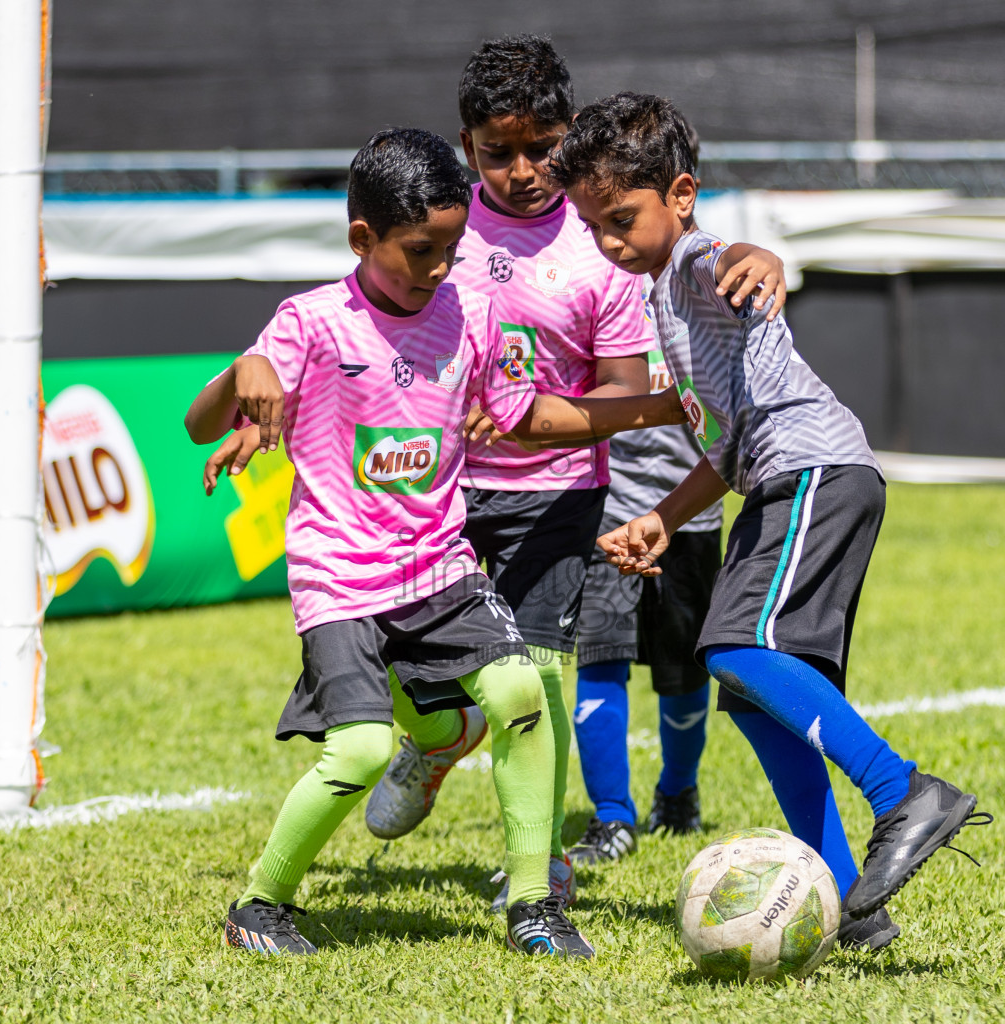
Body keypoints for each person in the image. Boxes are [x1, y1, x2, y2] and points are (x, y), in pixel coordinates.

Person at [186, 128, 680, 959]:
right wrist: (243, 372)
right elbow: (201, 425)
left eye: (453, 246)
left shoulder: (472, 313)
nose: (442, 266)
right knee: (363, 747)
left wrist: (666, 405)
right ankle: (258, 907)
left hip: (438, 569)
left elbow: (535, 419)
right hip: (341, 578)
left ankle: (535, 904)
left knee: (522, 692)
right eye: (421, 250)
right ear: (362, 239)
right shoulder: (309, 323)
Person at [358, 36, 789, 911]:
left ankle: (541, 858)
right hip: (430, 487)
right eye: (497, 152)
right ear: (465, 143)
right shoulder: (438, 224)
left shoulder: (602, 245)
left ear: (568, 132)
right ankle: (437, 737)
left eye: (541, 147)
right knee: (379, 651)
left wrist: (538, 422)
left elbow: (629, 391)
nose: (523, 170)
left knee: (542, 671)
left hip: (557, 491)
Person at [551, 93, 992, 946]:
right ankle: (849, 913)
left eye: (621, 218)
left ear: (680, 194)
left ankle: (903, 792)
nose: (609, 240)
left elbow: (736, 255)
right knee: (753, 697)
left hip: (813, 474)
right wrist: (663, 518)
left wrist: (762, 258)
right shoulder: (658, 296)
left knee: (733, 647)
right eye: (593, 226)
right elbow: (724, 444)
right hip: (780, 479)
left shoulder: (690, 263)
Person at [568, 324, 722, 864]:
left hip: (693, 518)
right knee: (600, 660)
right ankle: (612, 816)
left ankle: (678, 792)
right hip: (607, 513)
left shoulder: (707, 294)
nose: (615, 240)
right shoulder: (596, 295)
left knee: (683, 673)